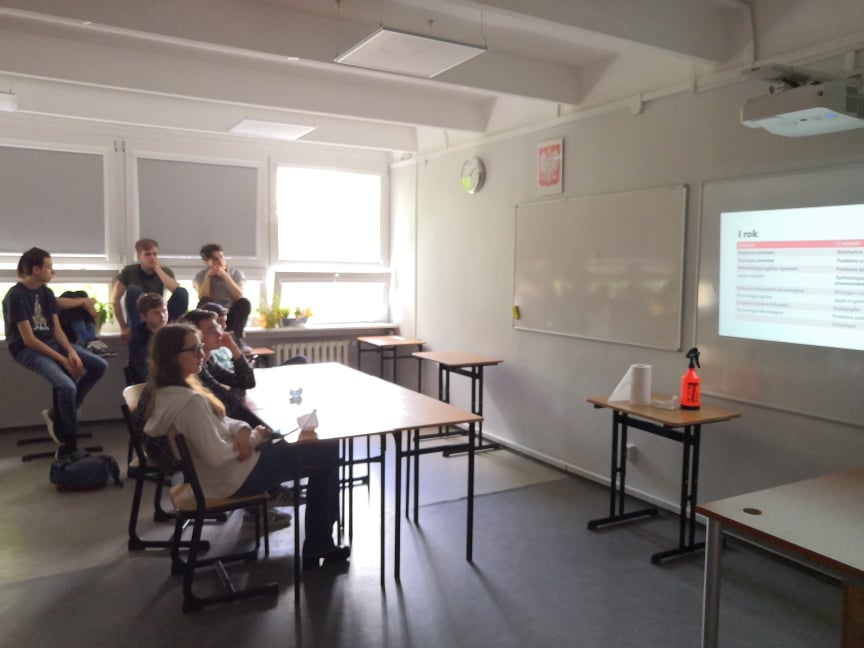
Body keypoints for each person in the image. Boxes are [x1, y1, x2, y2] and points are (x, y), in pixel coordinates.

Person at [143, 323, 349, 569]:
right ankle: (319, 543)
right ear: (173, 357)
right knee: (325, 451)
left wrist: (242, 429)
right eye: (194, 349)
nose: (202, 353)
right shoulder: (190, 402)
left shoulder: (170, 392)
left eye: (200, 347)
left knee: (319, 449)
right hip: (233, 478)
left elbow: (222, 421)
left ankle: (321, 540)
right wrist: (255, 438)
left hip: (219, 475)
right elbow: (219, 457)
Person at [2, 248, 108, 458]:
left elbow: (57, 330)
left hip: (52, 342)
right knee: (67, 385)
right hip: (27, 349)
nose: (53, 271)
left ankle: (59, 415)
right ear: (36, 269)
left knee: (99, 365)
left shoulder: (46, 293)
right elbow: (29, 339)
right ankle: (70, 442)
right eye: (49, 267)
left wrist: (71, 352)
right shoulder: (15, 296)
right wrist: (63, 360)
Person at [113, 238, 188, 340]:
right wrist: (123, 327)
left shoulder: (164, 271)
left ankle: (172, 330)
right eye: (147, 254)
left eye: (155, 254)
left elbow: (176, 290)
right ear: (139, 256)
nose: (152, 257)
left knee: (182, 292)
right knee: (133, 290)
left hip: (161, 315)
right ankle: (140, 332)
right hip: (140, 316)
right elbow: (115, 300)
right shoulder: (129, 271)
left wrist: (158, 269)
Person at [194, 243, 251, 345]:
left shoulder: (236, 273)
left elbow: (239, 296)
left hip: (231, 316)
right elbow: (202, 298)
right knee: (204, 301)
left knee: (244, 302)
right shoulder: (200, 276)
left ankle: (237, 339)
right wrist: (208, 277)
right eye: (215, 259)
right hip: (214, 316)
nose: (220, 261)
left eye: (221, 257)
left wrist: (225, 276)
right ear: (207, 262)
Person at [56, 290, 116, 358]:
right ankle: (89, 342)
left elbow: (94, 315)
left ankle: (91, 342)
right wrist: (84, 302)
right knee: (68, 295)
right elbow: (56, 302)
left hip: (73, 331)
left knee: (81, 294)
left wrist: (87, 305)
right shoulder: (49, 297)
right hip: (62, 331)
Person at [127, 292, 168, 384]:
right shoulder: (138, 340)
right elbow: (144, 374)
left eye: (164, 311)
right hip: (151, 386)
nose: (162, 316)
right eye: (156, 313)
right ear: (144, 317)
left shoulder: (171, 335)